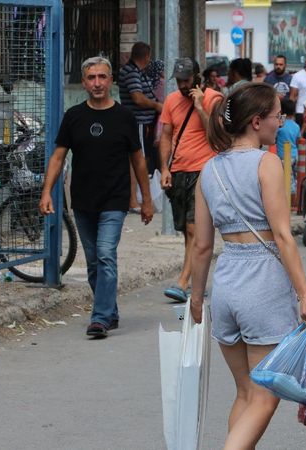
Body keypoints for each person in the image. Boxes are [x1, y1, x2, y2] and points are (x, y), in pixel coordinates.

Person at [191, 83, 306, 449]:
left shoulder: (209, 170)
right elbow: (283, 236)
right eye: (277, 116)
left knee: (245, 393)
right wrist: (305, 294)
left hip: (226, 287)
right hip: (261, 287)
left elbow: (202, 246)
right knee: (265, 396)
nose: (280, 123)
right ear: (256, 122)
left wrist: (195, 299)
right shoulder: (267, 163)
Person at [39, 56, 154, 338]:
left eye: (102, 77)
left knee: (105, 254)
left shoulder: (124, 116)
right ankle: (109, 310)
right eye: (91, 78)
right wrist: (46, 192)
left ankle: (100, 318)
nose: (97, 83)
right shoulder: (74, 116)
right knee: (93, 261)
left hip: (114, 199)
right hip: (82, 200)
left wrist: (145, 199)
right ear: (84, 82)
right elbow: (58, 157)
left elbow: (138, 160)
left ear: (111, 81)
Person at [158, 57, 224, 303]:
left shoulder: (213, 99)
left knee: (194, 228)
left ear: (197, 77)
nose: (183, 86)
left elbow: (217, 134)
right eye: (179, 81)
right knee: (188, 232)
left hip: (203, 171)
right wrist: (164, 168)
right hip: (179, 172)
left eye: (186, 81)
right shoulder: (171, 101)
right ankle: (198, 280)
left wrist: (199, 107)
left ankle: (183, 281)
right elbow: (166, 136)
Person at [118, 42, 163, 212]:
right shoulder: (131, 73)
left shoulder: (137, 72)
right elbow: (137, 98)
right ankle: (135, 201)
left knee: (139, 160)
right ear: (146, 57)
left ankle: (137, 198)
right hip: (137, 122)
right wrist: (157, 106)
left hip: (143, 124)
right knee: (138, 161)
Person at [276, 98, 300, 169]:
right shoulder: (296, 126)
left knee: (286, 178)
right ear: (294, 112)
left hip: (283, 157)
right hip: (295, 155)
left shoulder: (279, 125)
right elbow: (297, 142)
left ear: (281, 111)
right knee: (294, 178)